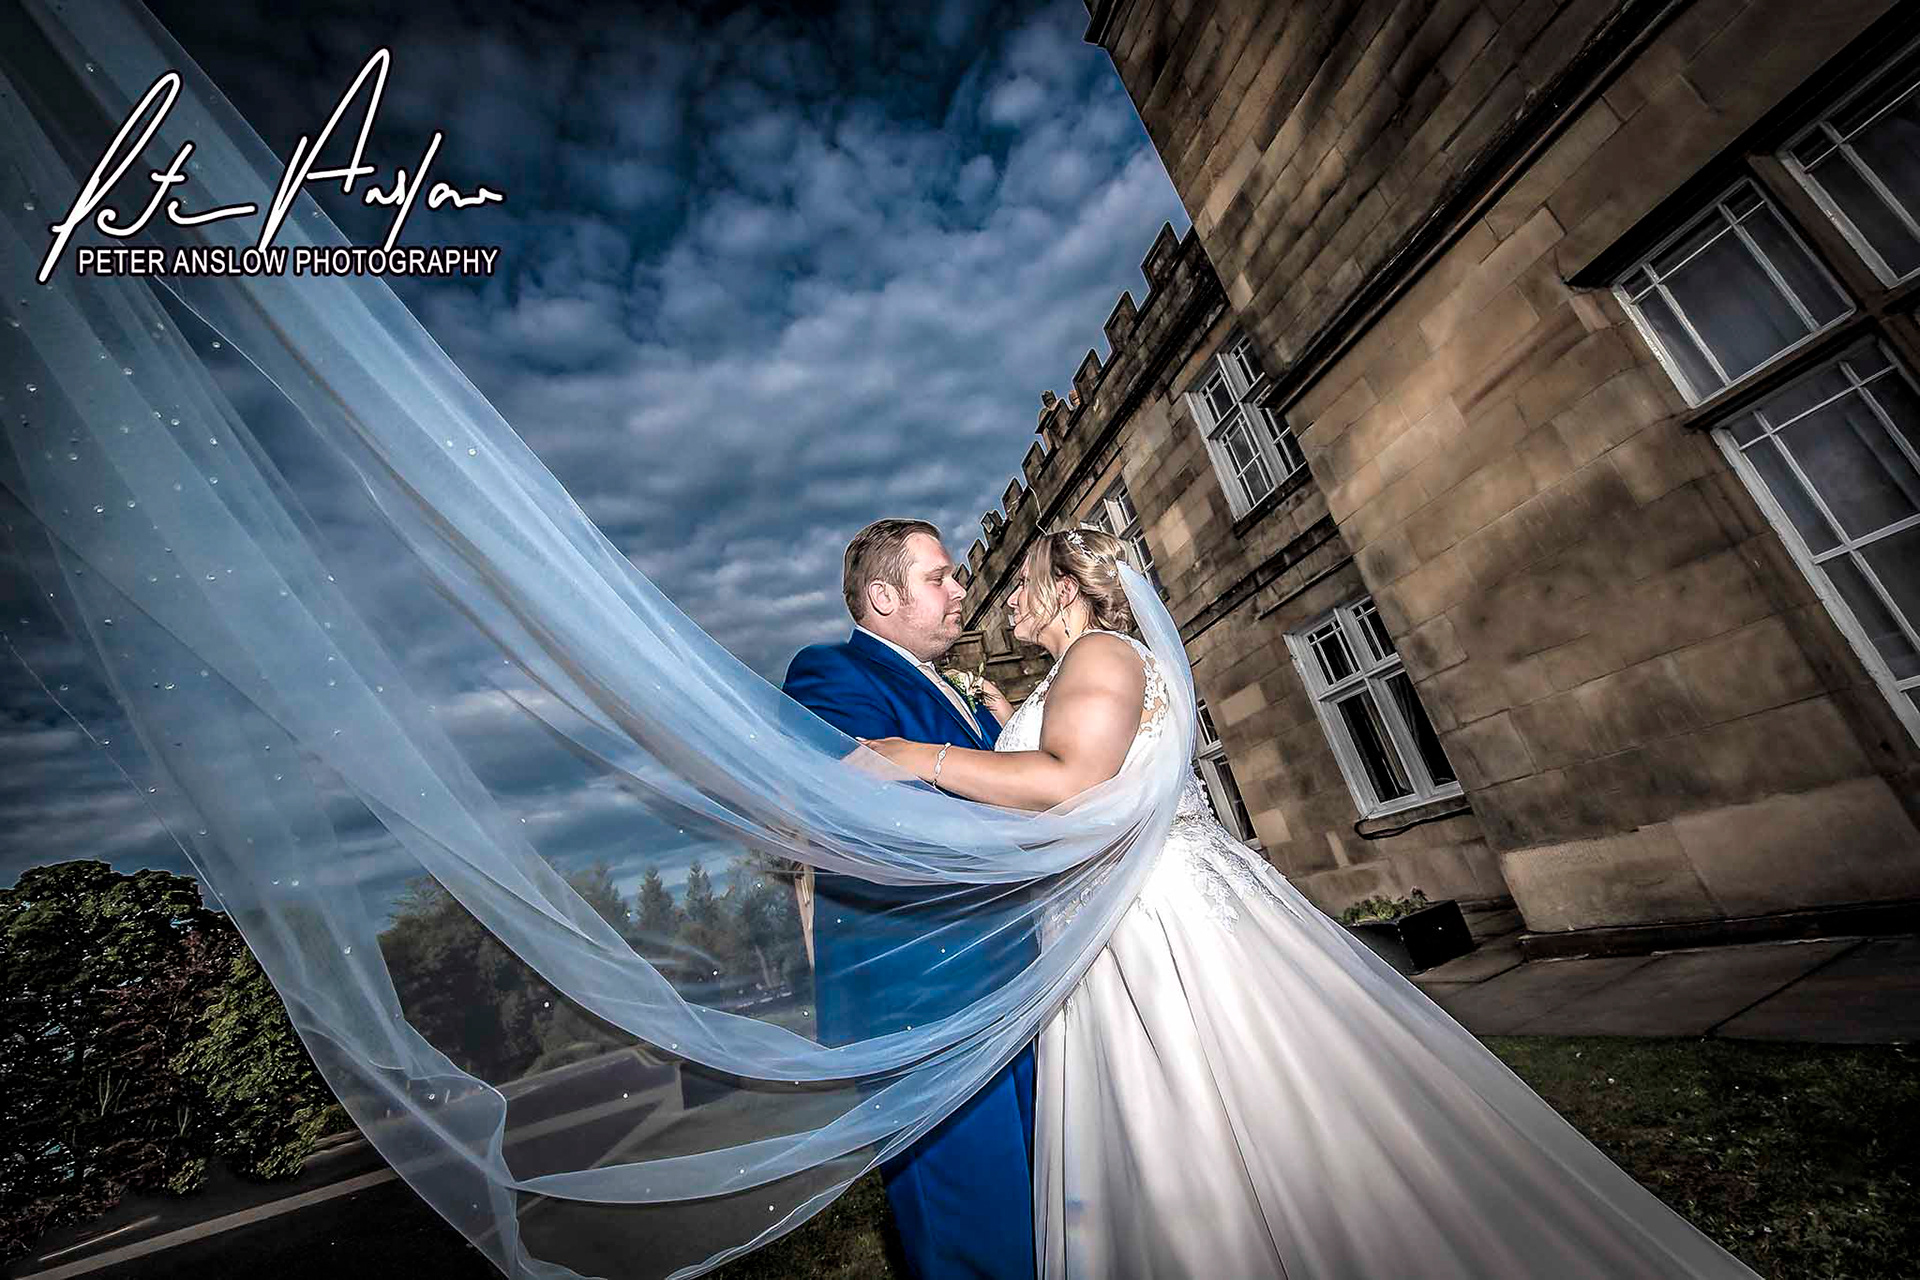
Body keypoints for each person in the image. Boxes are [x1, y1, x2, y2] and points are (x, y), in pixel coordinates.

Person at [862, 527, 1761, 1280]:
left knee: (1213, 1111)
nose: (1003, 598)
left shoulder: (1100, 652)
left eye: (1021, 581)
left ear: (1066, 588)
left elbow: (1070, 778)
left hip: (1150, 926)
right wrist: (1004, 721)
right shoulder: (1080, 667)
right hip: (1109, 921)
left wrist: (916, 757)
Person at [781, 518, 1035, 1280]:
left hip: (1015, 979)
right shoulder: (827, 675)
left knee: (1042, 1214)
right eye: (939, 577)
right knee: (977, 1240)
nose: (960, 589)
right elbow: (881, 821)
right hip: (926, 1002)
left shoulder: (963, 693)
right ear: (883, 597)